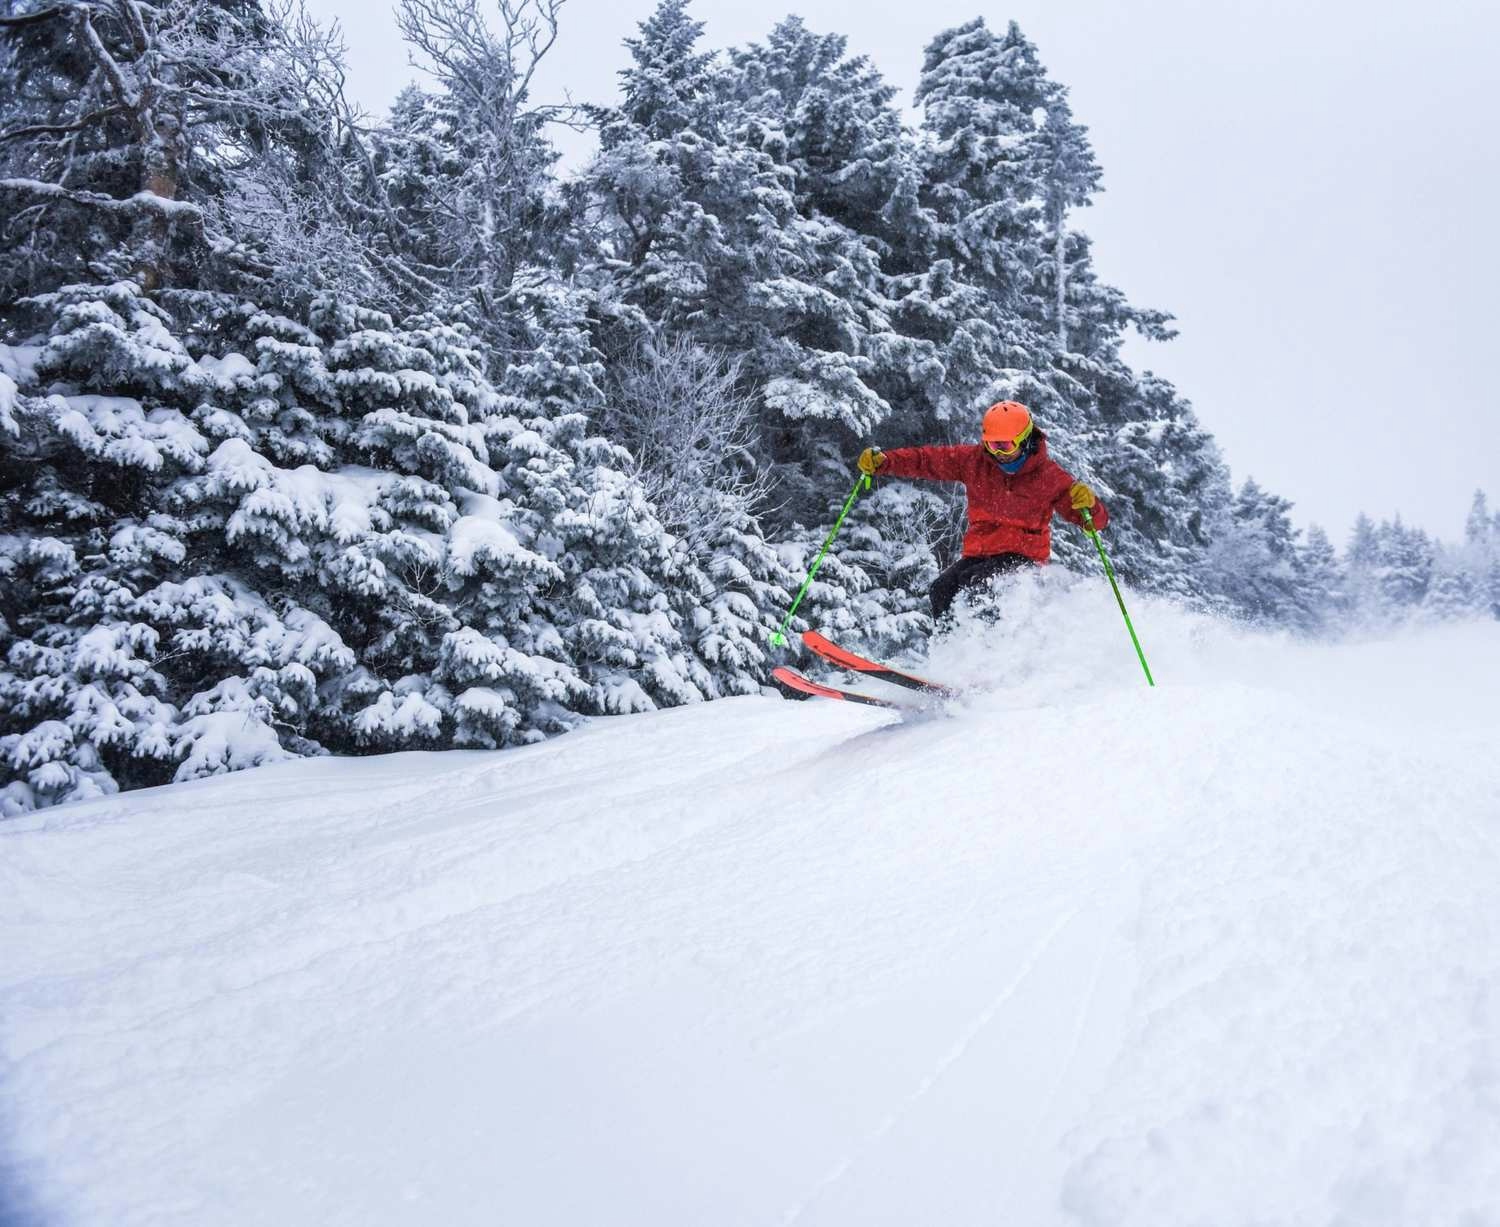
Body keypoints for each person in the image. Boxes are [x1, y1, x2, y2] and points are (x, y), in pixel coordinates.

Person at [857, 401, 1109, 622]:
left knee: (982, 585)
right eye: (991, 445)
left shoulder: (1049, 477)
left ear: (1025, 440)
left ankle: (990, 660)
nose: (998, 454)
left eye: (1005, 446)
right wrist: (885, 462)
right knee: (942, 590)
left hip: (1023, 556)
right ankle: (951, 655)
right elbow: (926, 460)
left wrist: (1089, 506)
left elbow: (1092, 522)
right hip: (981, 552)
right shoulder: (975, 461)